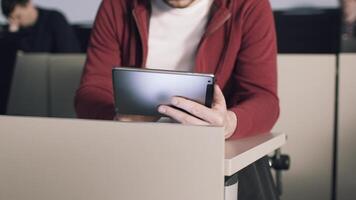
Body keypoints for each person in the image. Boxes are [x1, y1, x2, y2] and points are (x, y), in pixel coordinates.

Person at [75, 0, 279, 140]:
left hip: (211, 153)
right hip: (134, 147)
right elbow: (91, 90)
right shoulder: (117, 5)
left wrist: (227, 124)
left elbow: (264, 99)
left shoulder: (248, 6)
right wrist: (116, 119)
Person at [1, 0, 80, 53]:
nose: (16, 22)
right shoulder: (12, 30)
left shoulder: (54, 18)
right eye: (11, 19)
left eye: (18, 16)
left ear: (29, 4)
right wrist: (12, 35)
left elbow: (69, 53)